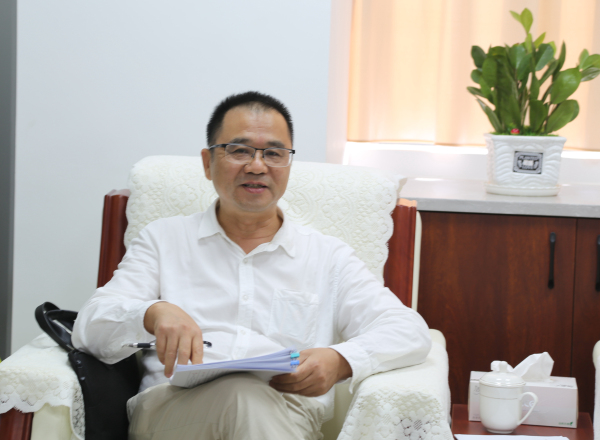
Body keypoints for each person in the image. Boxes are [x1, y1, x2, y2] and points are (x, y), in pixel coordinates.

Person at [72, 91, 432, 440]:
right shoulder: (163, 240)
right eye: (239, 150)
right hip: (172, 414)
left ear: (288, 165)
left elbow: (407, 329)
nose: (257, 166)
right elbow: (90, 327)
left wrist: (341, 359)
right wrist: (153, 313)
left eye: (274, 153)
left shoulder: (327, 256)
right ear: (207, 163)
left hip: (288, 417)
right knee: (241, 398)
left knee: (250, 401)